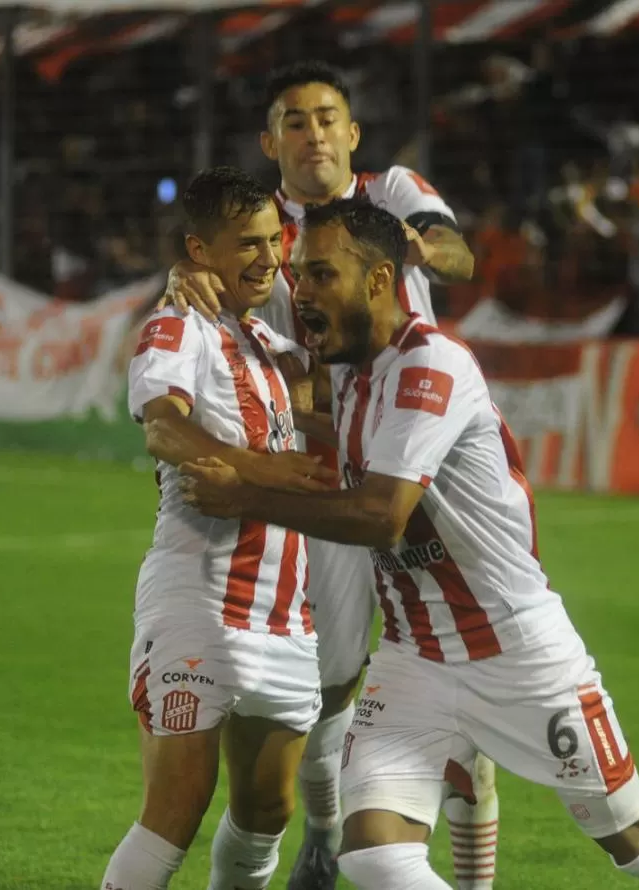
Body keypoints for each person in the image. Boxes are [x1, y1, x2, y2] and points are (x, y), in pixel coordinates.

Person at [179, 198, 639, 890]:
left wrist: (246, 497)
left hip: (516, 651)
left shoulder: (431, 366)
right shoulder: (351, 369)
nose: (302, 292)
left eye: (321, 274)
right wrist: (198, 288)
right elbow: (262, 382)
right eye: (299, 275)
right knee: (375, 853)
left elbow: (383, 516)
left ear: (379, 281)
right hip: (416, 656)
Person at [163, 61, 497, 890]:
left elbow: (454, 253)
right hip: (323, 468)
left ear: (352, 133)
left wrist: (430, 247)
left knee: (474, 672)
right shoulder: (262, 229)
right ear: (269, 141)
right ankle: (323, 824)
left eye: (327, 118)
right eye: (295, 121)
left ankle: (469, 867)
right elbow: (213, 287)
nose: (313, 133)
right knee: (331, 675)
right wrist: (189, 276)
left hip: (420, 459)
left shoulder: (391, 196)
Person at [101, 167, 336, 890]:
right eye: (247, 244)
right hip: (198, 601)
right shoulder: (179, 325)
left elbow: (322, 431)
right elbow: (163, 429)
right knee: (175, 812)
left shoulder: (268, 340)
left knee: (267, 813)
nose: (267, 258)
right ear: (200, 250)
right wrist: (264, 472)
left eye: (273, 239)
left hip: (285, 616)